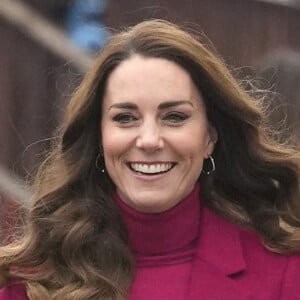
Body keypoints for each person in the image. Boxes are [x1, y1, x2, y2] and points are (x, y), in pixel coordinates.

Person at [0, 19, 300, 300]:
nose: (149, 140)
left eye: (174, 117)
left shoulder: (284, 273)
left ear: (209, 137)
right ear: (99, 138)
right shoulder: (27, 283)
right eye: (126, 118)